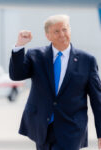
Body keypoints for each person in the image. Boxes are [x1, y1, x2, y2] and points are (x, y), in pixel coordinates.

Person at [9, 14, 101, 150]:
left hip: (71, 129)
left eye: (64, 29)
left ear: (70, 30)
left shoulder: (87, 60)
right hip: (41, 127)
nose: (62, 34)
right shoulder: (36, 56)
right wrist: (19, 46)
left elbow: (97, 100)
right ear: (48, 36)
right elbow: (16, 75)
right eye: (56, 31)